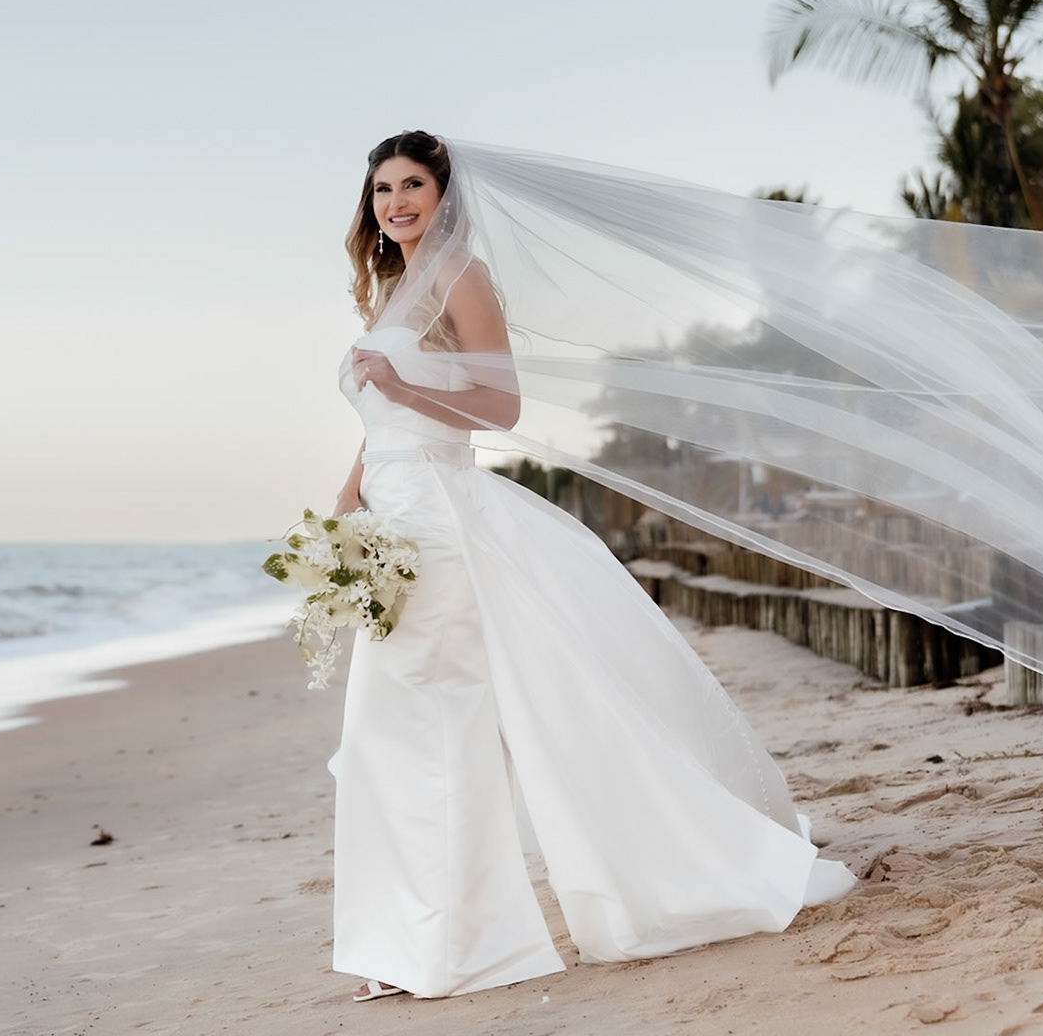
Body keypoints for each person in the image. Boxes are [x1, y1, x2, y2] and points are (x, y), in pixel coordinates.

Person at [326, 130, 856, 1003]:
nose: (396, 202)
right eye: (382, 189)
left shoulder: (462, 277)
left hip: (442, 527)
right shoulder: (390, 290)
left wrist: (404, 386)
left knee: (437, 727)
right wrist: (344, 501)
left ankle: (450, 948)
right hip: (388, 524)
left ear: (445, 193)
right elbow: (378, 423)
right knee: (386, 729)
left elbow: (500, 407)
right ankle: (408, 939)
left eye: (411, 184)